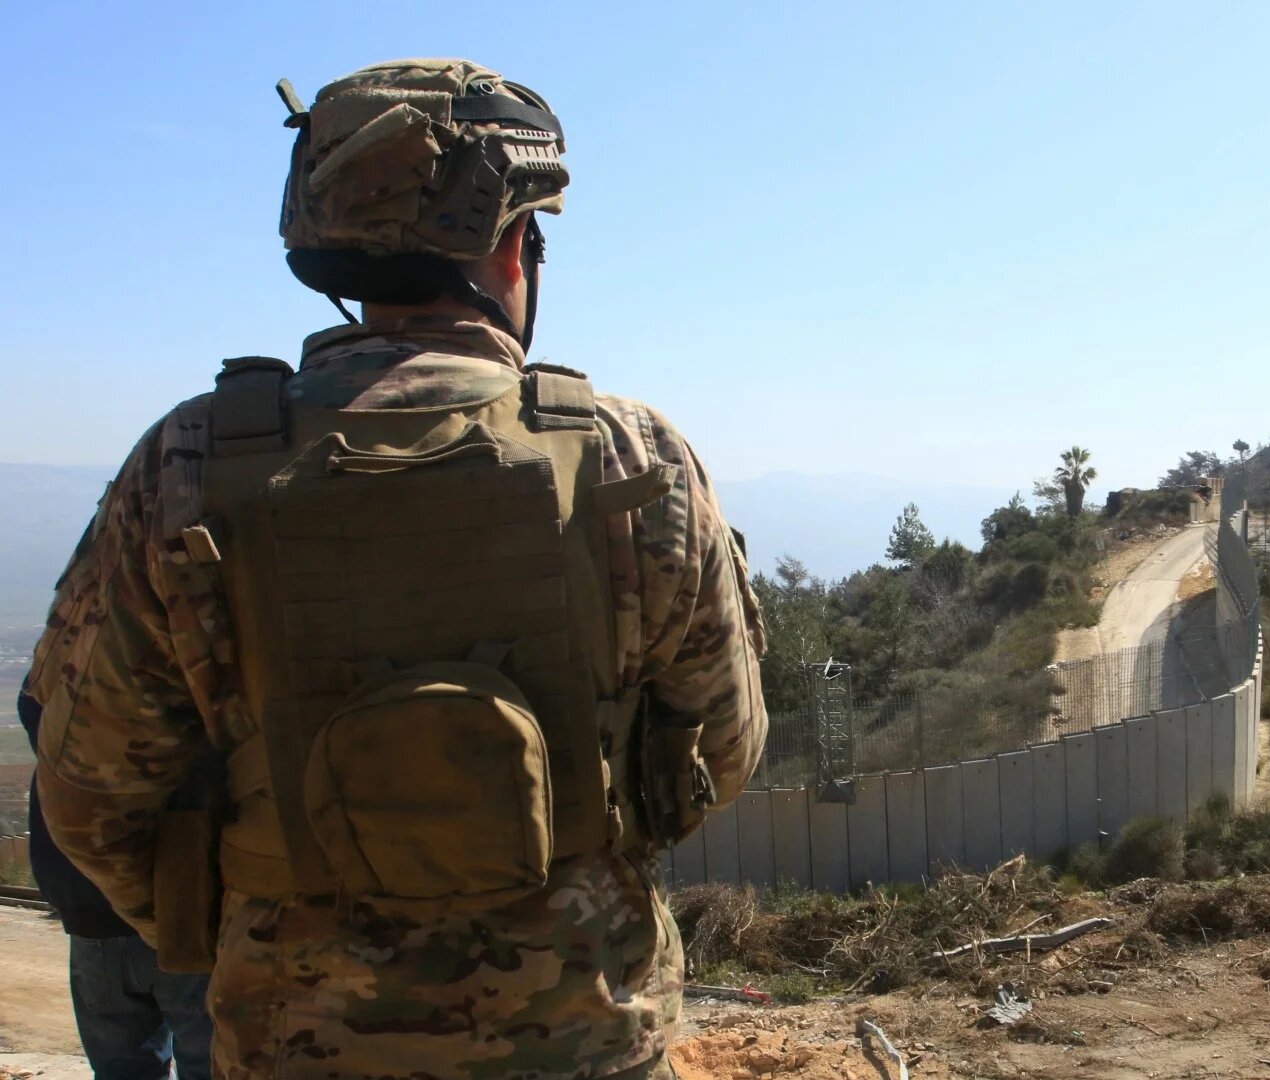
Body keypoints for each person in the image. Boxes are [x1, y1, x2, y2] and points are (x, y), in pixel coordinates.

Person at [26, 58, 766, 1079]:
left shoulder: (188, 464)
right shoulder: (633, 460)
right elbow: (720, 754)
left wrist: (265, 908)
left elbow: (90, 795)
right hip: (586, 1031)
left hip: (295, 1038)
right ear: (515, 245)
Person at [18, 682, 214, 1080]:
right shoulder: (184, 673)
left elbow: (33, 708)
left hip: (93, 908)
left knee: (122, 1067)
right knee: (211, 1064)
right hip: (184, 909)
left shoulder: (63, 678)